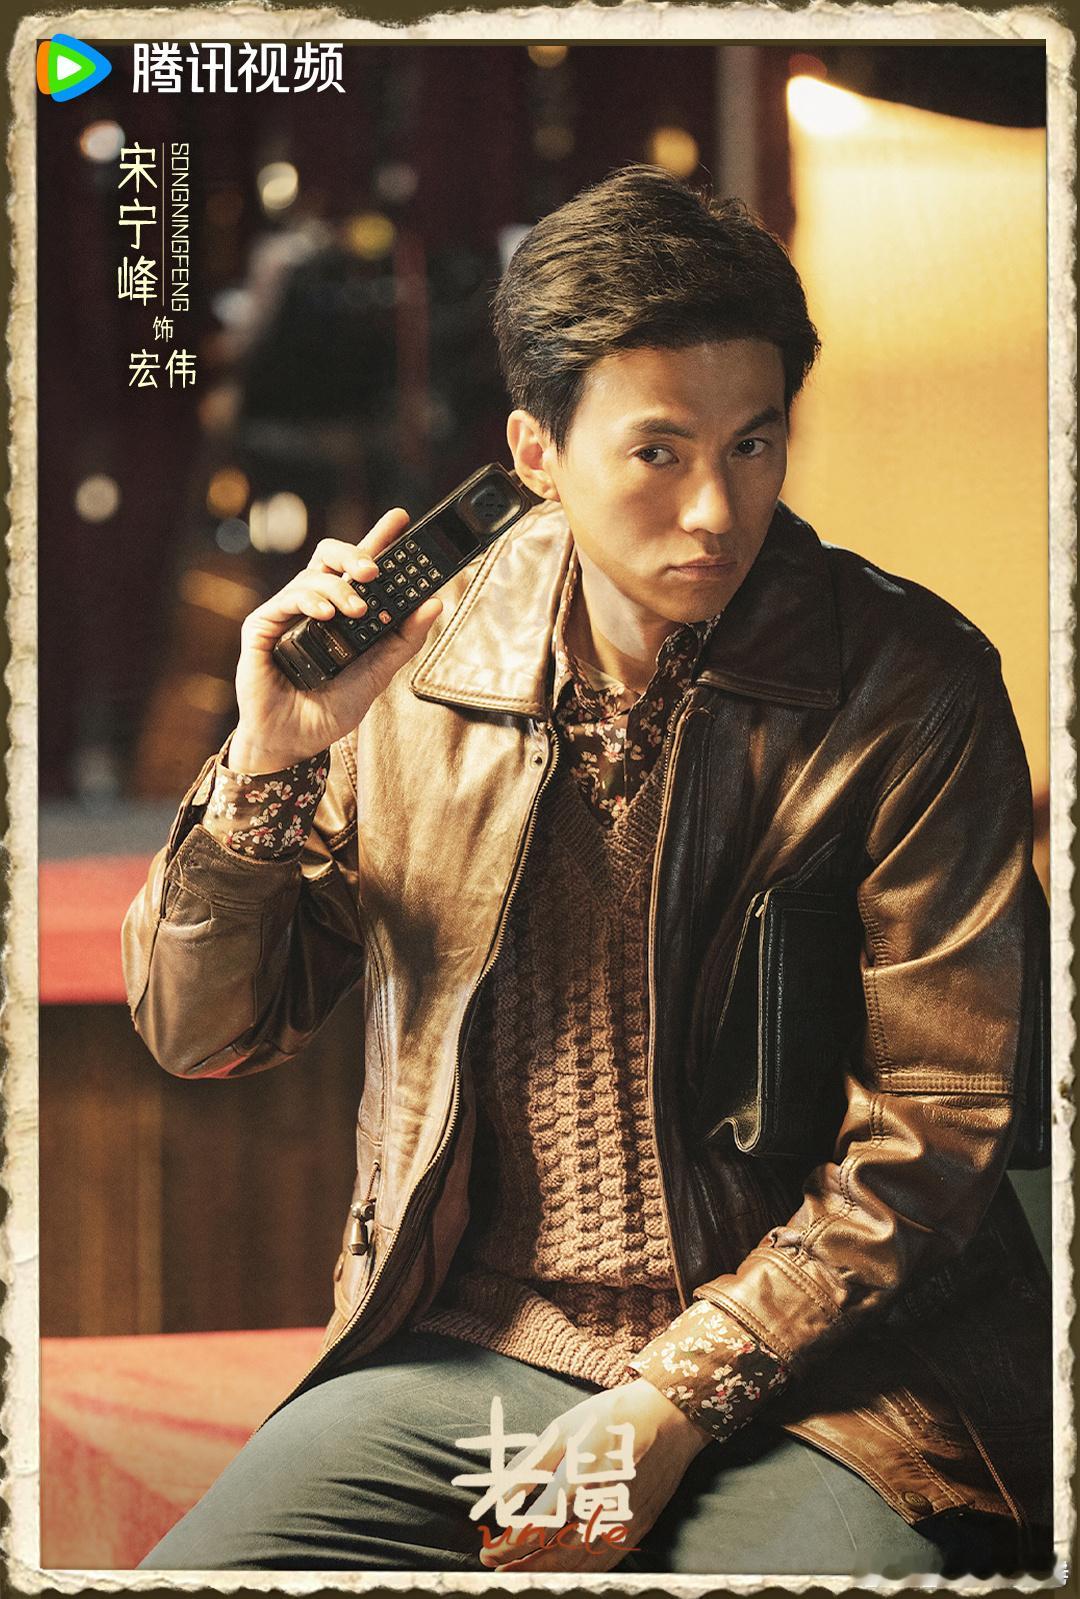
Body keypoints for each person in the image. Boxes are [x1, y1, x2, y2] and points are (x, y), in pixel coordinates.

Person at [123, 165, 1052, 1578]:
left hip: (847, 1379)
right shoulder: (415, 666)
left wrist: (673, 1399)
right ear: (537, 451)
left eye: (754, 445)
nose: (716, 510)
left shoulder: (912, 689)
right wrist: (268, 763)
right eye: (658, 453)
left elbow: (936, 1135)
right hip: (478, 1346)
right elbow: (203, 1031)